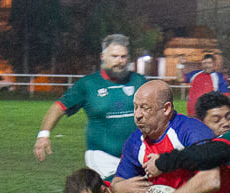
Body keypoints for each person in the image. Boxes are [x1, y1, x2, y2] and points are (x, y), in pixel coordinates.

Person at [33, 34, 147, 180]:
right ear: (103, 57)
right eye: (115, 56)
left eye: (124, 57)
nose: (120, 61)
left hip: (137, 156)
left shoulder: (139, 81)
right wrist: (43, 135)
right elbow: (59, 107)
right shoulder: (88, 84)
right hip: (102, 158)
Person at [176, 53, 230, 117]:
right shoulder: (195, 74)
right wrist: (179, 65)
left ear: (214, 64)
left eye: (209, 63)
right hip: (192, 113)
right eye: (205, 63)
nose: (207, 65)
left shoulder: (219, 77)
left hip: (208, 114)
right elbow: (180, 79)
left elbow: (226, 96)